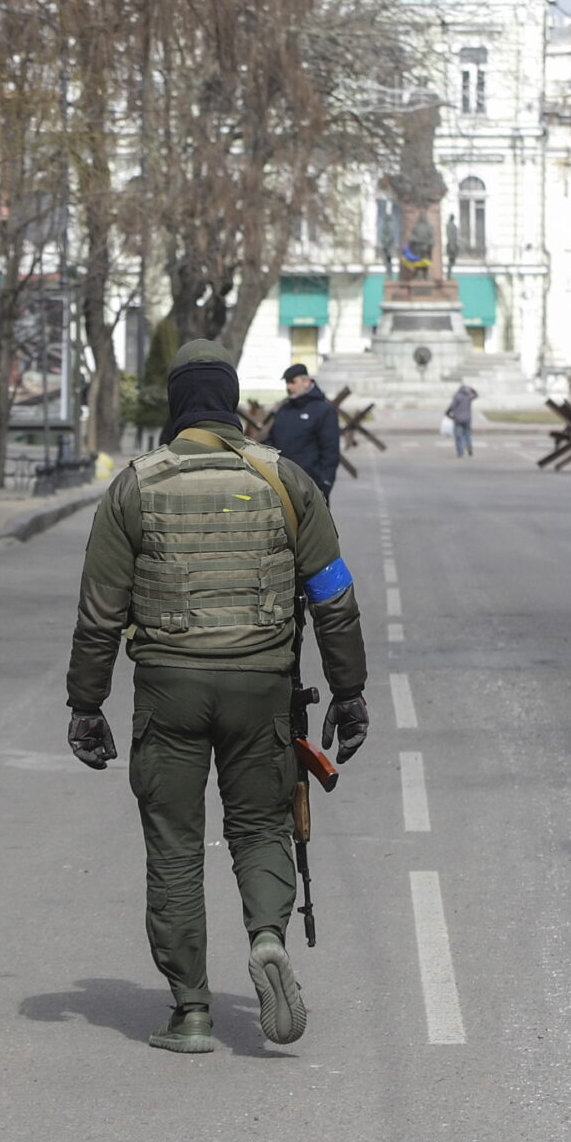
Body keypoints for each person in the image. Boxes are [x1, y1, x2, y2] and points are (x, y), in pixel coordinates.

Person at [66, 340, 369, 1053]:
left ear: (176, 405)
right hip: (261, 685)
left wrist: (85, 703)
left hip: (168, 687)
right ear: (233, 402)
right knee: (262, 826)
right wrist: (349, 693)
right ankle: (266, 935)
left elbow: (100, 610)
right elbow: (334, 596)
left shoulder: (135, 486)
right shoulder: (284, 479)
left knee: (173, 844)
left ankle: (191, 1010)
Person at [268, 363, 341, 500]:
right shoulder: (284, 410)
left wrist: (325, 483)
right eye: (287, 383)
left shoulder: (324, 410)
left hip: (312, 487)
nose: (289, 387)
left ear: (306, 382)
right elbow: (272, 441)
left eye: (292, 382)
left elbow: (330, 451)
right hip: (282, 485)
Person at [445, 383, 479, 457]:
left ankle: (460, 452)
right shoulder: (468, 396)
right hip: (467, 419)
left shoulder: (456, 396)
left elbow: (452, 406)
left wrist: (449, 413)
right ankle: (469, 446)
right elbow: (476, 395)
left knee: (458, 436)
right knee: (467, 434)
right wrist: (472, 389)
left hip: (458, 419)